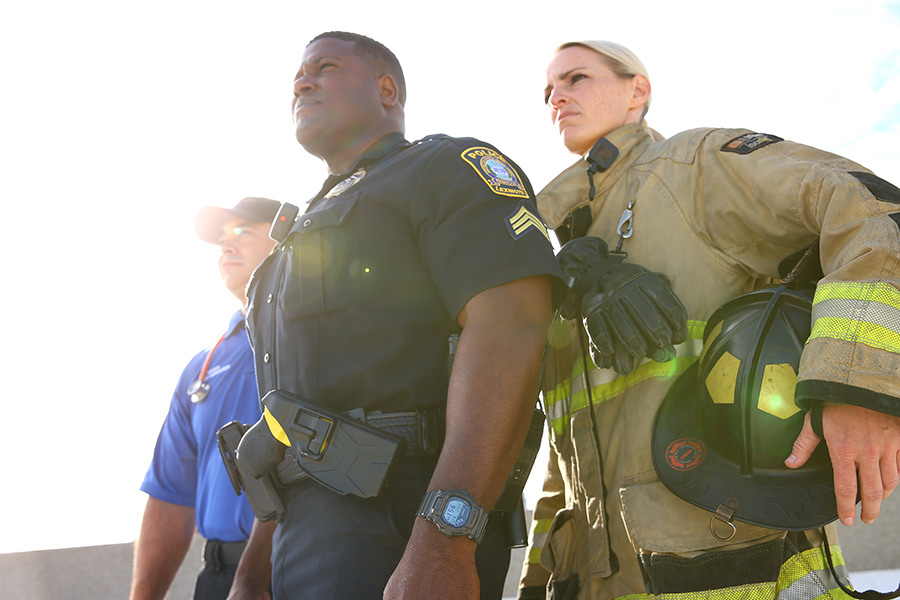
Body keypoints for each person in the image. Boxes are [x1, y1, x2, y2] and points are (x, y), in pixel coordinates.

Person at [519, 40, 900, 599]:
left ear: (637, 90)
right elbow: (565, 464)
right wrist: (535, 584)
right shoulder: (552, 248)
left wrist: (858, 387)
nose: (557, 97)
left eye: (576, 78)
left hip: (731, 560)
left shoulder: (694, 167)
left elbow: (872, 212)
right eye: (548, 90)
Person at [236, 31, 562, 600]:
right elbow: (290, 422)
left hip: (405, 527)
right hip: (303, 538)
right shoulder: (293, 240)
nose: (302, 83)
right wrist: (252, 572)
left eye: (325, 67)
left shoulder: (443, 169)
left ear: (387, 90)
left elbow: (513, 326)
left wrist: (446, 539)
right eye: (297, 76)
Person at [130, 197, 279, 600]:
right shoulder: (202, 366)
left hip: (290, 569)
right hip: (218, 576)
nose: (226, 245)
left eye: (242, 232)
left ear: (284, 238)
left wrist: (252, 578)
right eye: (222, 239)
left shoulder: (316, 340)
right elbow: (170, 494)